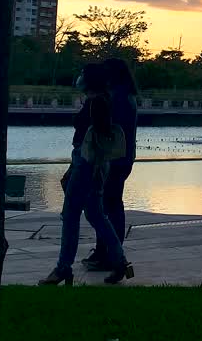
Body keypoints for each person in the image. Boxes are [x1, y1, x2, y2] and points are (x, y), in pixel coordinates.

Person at [39, 63, 131, 285]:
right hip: (91, 164)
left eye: (82, 74)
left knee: (70, 215)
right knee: (95, 215)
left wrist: (82, 167)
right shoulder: (100, 100)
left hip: (87, 164)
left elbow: (94, 140)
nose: (78, 77)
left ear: (90, 79)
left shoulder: (97, 102)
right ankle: (120, 263)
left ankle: (63, 268)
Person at [83, 57, 139, 271]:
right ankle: (105, 250)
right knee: (110, 204)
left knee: (109, 206)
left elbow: (110, 129)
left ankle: (110, 253)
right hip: (123, 158)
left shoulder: (118, 98)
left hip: (114, 159)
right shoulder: (127, 96)